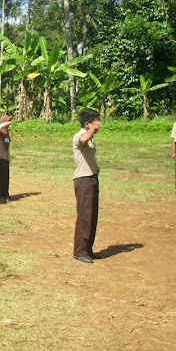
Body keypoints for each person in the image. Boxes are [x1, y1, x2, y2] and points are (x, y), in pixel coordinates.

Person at [73, 108, 101, 264]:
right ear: (87, 123)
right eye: (96, 121)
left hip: (91, 179)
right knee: (85, 216)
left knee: (92, 216)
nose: (99, 124)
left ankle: (88, 249)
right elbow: (82, 140)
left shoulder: (90, 138)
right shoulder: (79, 136)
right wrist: (92, 129)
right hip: (83, 181)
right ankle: (80, 251)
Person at [0, 115, 12, 200]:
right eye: (8, 121)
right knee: (0, 177)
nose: (9, 123)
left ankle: (5, 193)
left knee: (5, 177)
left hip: (5, 157)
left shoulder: (6, 132)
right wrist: (2, 125)